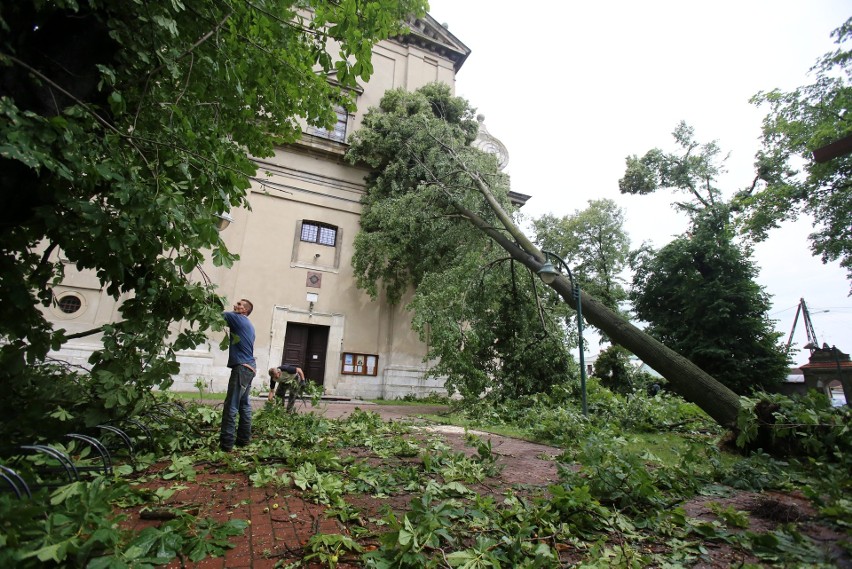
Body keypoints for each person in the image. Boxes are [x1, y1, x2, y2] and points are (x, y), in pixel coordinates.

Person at [219, 299, 256, 451]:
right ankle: (243, 440)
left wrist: (212, 301)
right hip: (250, 368)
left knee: (231, 406)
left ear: (245, 311)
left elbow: (217, 315)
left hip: (241, 368)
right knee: (244, 405)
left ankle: (226, 445)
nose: (235, 305)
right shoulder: (249, 325)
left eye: (239, 305)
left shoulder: (237, 318)